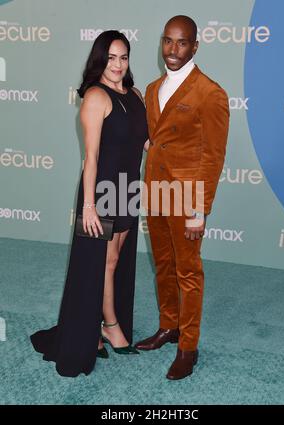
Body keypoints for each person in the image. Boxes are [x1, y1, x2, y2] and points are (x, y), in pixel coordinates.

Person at [30, 30, 149, 377]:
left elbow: (143, 144)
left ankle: (100, 327)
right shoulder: (95, 97)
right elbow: (92, 157)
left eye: (124, 57)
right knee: (104, 264)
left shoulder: (135, 94)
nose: (118, 65)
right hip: (102, 192)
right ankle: (108, 325)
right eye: (111, 58)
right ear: (100, 59)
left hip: (129, 188)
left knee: (115, 260)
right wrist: (88, 206)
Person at [135, 16, 230, 380]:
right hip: (156, 191)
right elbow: (155, 138)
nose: (173, 51)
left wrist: (199, 209)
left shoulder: (210, 93)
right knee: (162, 263)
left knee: (188, 272)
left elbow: (213, 157)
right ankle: (168, 326)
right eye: (167, 42)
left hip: (186, 198)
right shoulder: (151, 87)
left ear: (195, 46)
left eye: (182, 43)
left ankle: (188, 346)